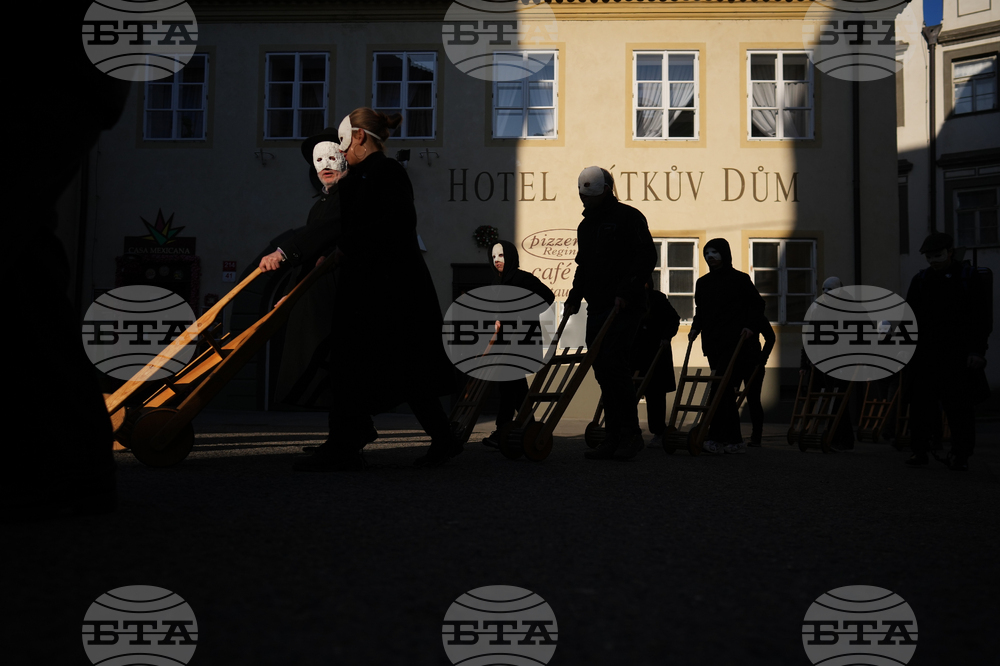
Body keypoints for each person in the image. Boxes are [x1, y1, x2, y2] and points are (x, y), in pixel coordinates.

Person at [262, 108, 460, 471]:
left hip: (391, 288)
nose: (339, 152)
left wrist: (347, 247)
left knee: (400, 368)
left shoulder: (387, 172)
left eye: (341, 143)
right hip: (370, 286)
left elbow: (396, 222)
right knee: (359, 365)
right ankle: (349, 439)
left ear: (359, 137)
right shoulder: (362, 178)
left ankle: (426, 438)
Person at [564, 167, 657, 461]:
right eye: (582, 196)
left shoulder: (629, 217)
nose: (585, 201)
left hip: (625, 305)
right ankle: (613, 435)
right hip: (598, 305)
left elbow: (646, 256)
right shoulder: (585, 226)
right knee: (602, 369)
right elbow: (583, 266)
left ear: (606, 190)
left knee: (615, 365)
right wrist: (574, 298)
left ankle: (631, 435)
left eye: (589, 196)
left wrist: (626, 291)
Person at [903, 232, 991, 471]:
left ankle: (960, 454)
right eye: (929, 257)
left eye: (937, 256)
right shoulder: (922, 280)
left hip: (957, 354)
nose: (933, 261)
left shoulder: (967, 278)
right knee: (921, 405)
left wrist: (977, 351)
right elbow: (909, 317)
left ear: (950, 252)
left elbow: (981, 318)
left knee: (958, 407)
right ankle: (921, 449)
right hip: (926, 354)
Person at [688, 238, 765, 454]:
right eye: (707, 253)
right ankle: (732, 439)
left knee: (719, 388)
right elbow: (701, 309)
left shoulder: (740, 279)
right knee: (724, 391)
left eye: (715, 252)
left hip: (734, 342)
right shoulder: (703, 283)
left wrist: (750, 326)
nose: (710, 256)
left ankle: (717, 436)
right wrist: (695, 327)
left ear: (725, 253)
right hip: (713, 343)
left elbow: (757, 304)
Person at [482, 241, 555, 448]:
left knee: (509, 385)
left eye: (501, 255)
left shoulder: (523, 279)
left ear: (511, 256)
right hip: (504, 343)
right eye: (493, 257)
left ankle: (505, 429)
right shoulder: (496, 283)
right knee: (514, 387)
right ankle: (527, 428)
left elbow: (547, 297)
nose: (497, 260)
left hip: (521, 341)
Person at [799, 276, 855, 450]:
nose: (825, 292)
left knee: (838, 400)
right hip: (822, 361)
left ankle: (838, 438)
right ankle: (835, 437)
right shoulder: (819, 308)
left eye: (830, 289)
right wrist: (805, 362)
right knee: (827, 398)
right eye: (824, 289)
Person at [630, 283, 681, 449]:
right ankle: (629, 430)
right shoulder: (630, 298)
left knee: (655, 394)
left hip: (655, 353)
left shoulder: (657, 299)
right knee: (629, 393)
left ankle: (658, 431)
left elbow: (673, 319)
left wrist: (666, 337)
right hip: (635, 354)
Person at [743, 312, 775, 447]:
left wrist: (762, 359)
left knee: (753, 400)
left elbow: (771, 337)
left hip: (753, 362)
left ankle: (756, 436)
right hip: (741, 361)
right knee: (752, 400)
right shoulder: (734, 313)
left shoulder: (755, 315)